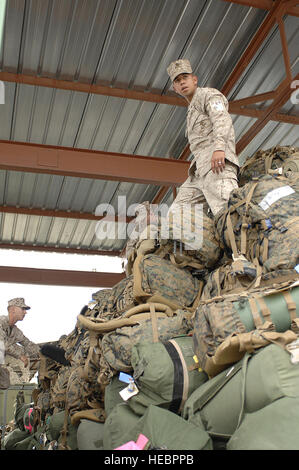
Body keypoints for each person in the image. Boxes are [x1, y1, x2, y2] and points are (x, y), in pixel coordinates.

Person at [166, 59, 239, 217]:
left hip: (218, 165)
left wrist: (219, 148)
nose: (182, 82)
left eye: (185, 77)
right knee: (176, 216)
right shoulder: (191, 111)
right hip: (199, 172)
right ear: (175, 89)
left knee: (229, 214)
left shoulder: (208, 95)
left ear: (194, 79)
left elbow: (222, 119)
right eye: (178, 81)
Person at [0, 298, 40, 388]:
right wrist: (20, 356)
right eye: (23, 309)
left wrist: (44, 352)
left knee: (24, 351)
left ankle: (22, 385)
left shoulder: (15, 331)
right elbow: (2, 344)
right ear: (13, 309)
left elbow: (27, 343)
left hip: (3, 361)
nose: (25, 312)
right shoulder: (1, 323)